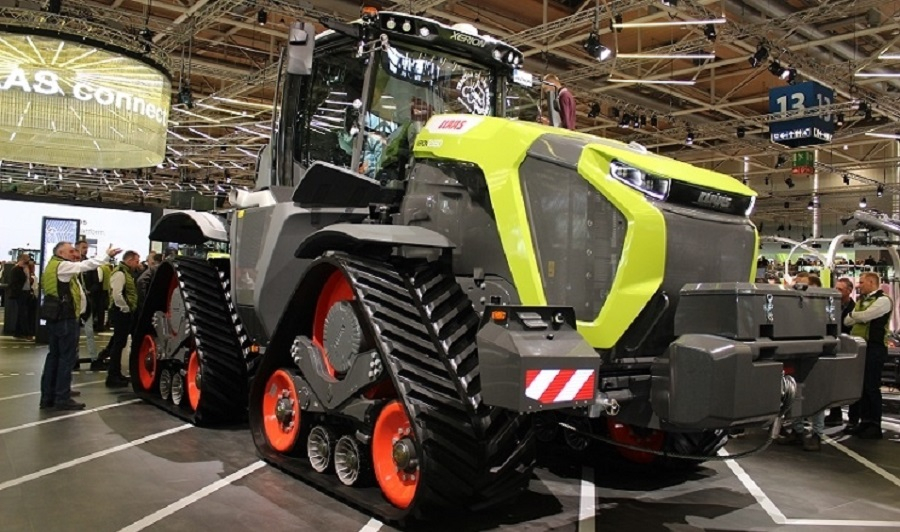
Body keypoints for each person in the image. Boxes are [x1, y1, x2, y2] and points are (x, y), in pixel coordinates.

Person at [39, 242, 121, 410]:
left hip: (56, 317)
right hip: (65, 318)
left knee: (54, 357)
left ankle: (49, 396)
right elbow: (86, 265)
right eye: (71, 251)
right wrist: (106, 256)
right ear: (60, 253)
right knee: (66, 359)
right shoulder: (63, 266)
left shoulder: (52, 266)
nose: (74, 254)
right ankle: (62, 397)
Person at [844, 271, 891, 439]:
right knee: (862, 387)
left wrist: (855, 316)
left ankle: (875, 425)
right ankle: (864, 422)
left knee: (871, 386)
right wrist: (857, 316)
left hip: (875, 348)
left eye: (862, 282)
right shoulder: (862, 301)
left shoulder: (884, 300)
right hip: (861, 347)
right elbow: (847, 321)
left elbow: (866, 316)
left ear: (872, 282)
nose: (859, 285)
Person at [101, 250, 141, 388]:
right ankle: (113, 376)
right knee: (118, 344)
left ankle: (116, 374)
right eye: (136, 261)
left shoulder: (126, 273)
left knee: (120, 343)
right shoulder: (120, 273)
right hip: (120, 312)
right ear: (129, 260)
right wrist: (125, 308)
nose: (138, 264)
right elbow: (117, 294)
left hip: (123, 311)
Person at [825, 277, 857, 427]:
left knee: (851, 382)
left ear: (849, 291)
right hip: (833, 346)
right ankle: (835, 413)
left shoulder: (854, 308)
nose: (836, 291)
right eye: (835, 288)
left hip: (848, 348)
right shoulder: (831, 306)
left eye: (840, 289)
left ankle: (853, 419)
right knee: (833, 381)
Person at [74, 240, 104, 371]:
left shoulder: (89, 265)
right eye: (83, 247)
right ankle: (74, 359)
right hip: (75, 304)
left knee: (89, 332)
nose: (85, 250)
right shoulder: (71, 264)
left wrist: (89, 291)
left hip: (87, 302)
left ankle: (93, 358)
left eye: (86, 247)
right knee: (74, 334)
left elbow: (96, 283)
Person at [8, 253, 32, 339]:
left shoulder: (26, 268)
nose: (28, 259)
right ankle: (26, 332)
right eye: (27, 258)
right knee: (23, 313)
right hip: (20, 293)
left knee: (21, 313)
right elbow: (14, 283)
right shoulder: (16, 269)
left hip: (26, 292)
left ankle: (18, 332)